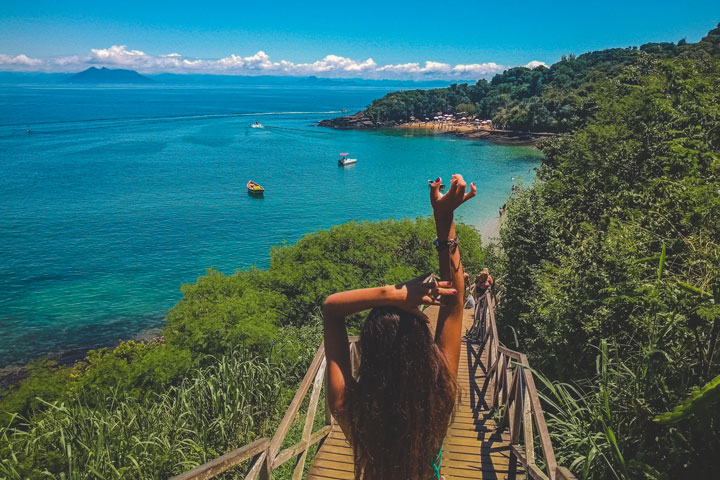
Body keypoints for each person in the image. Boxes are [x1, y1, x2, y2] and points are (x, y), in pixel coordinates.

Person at [323, 174, 477, 480]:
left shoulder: (349, 408)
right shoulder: (441, 396)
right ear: (425, 347)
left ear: (368, 351)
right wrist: (443, 218)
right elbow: (455, 302)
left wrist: (391, 293)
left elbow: (331, 309)